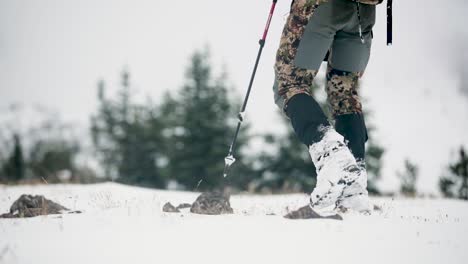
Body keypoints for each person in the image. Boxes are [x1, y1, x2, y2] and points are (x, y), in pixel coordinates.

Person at [272, 0, 383, 217]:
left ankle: (332, 155)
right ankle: (353, 186)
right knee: (344, 93)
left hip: (321, 7)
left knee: (289, 85)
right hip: (364, 12)